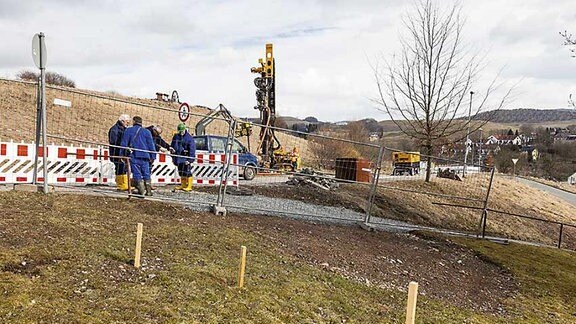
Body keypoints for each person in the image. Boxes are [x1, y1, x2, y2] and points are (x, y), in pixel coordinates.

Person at [120, 116, 156, 196]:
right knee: (146, 173)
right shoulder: (147, 132)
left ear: (133, 122)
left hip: (134, 155)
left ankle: (141, 190)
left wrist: (122, 154)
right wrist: (153, 157)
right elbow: (151, 145)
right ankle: (149, 191)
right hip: (145, 156)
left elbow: (124, 144)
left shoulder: (128, 131)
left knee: (136, 173)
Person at [108, 114, 131, 190]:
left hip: (122, 152)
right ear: (122, 121)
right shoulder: (114, 130)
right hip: (116, 152)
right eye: (127, 122)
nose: (128, 124)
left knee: (123, 168)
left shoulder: (123, 129)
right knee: (119, 167)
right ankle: (121, 184)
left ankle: (124, 183)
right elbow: (113, 141)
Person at [171, 123, 196, 191]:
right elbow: (173, 145)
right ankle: (183, 184)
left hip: (185, 158)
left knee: (187, 172)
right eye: (180, 131)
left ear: (185, 130)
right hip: (178, 157)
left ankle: (189, 186)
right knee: (181, 172)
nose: (181, 133)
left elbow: (192, 149)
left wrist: (190, 160)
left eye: (182, 131)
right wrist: (173, 155)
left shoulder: (189, 138)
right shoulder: (176, 136)